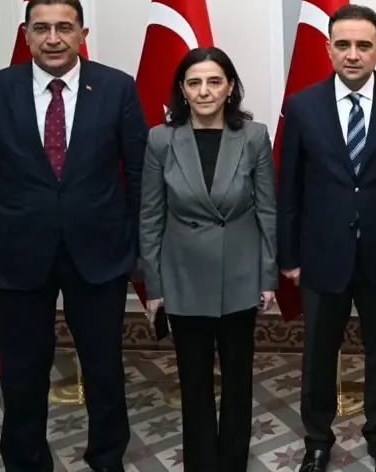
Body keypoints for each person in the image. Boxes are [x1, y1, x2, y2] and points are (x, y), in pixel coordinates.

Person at [0, 0, 147, 472]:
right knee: (22, 376)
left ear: (82, 34)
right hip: (13, 257)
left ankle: (107, 460)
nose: (53, 38)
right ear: (26, 35)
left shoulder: (117, 88)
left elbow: (140, 176)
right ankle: (26, 462)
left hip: (99, 254)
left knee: (104, 371)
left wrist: (140, 252)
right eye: (41, 28)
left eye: (64, 27)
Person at [278, 4, 376, 472]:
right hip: (321, 254)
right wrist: (288, 254)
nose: (352, 54)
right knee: (318, 354)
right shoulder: (302, 105)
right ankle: (317, 439)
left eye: (363, 45)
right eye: (343, 45)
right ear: (328, 48)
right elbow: (290, 187)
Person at [139, 46, 277, 472]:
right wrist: (154, 287)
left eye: (214, 81)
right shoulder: (160, 139)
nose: (204, 91)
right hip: (182, 277)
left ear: (230, 87)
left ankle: (232, 463)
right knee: (194, 383)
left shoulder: (253, 136)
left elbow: (268, 210)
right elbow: (150, 216)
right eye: (194, 82)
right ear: (182, 89)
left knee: (237, 382)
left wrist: (267, 276)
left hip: (240, 274)